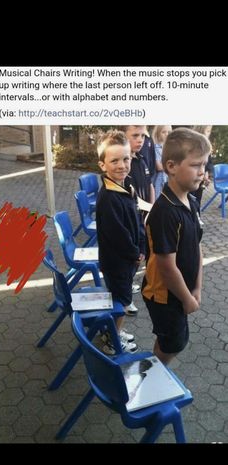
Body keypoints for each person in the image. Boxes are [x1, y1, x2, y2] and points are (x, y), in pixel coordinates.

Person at [142, 127, 212, 364]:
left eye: (204, 165)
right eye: (195, 165)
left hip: (181, 292)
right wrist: (186, 298)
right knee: (173, 343)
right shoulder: (165, 212)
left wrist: (197, 288)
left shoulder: (191, 201)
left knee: (169, 339)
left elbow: (197, 246)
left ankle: (155, 374)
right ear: (171, 167)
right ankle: (154, 383)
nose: (202, 172)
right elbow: (167, 267)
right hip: (164, 296)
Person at [96, 129, 146, 355]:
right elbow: (118, 235)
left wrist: (142, 246)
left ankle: (113, 331)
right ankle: (112, 341)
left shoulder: (127, 186)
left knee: (120, 298)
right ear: (103, 165)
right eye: (114, 160)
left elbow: (136, 222)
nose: (121, 165)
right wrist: (135, 252)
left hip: (128, 259)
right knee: (122, 301)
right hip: (117, 262)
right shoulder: (108, 197)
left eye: (125, 159)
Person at [122, 125, 155, 314]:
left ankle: (129, 283)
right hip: (132, 219)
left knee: (139, 254)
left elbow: (149, 184)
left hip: (145, 215)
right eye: (135, 135)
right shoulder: (125, 164)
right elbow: (131, 195)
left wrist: (152, 206)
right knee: (131, 255)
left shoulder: (141, 159)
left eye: (142, 135)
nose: (140, 139)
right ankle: (124, 296)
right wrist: (149, 208)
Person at [191, 125, 213, 206]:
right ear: (200, 131)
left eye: (209, 131)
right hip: (193, 178)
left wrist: (207, 172)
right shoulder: (192, 146)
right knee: (191, 198)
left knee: (198, 200)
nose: (209, 134)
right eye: (207, 131)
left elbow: (209, 162)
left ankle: (197, 216)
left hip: (201, 180)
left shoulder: (207, 146)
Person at [152, 125, 172, 199]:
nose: (167, 134)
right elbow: (159, 167)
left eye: (169, 132)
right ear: (158, 133)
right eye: (163, 132)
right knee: (158, 198)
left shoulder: (169, 148)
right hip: (159, 179)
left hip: (167, 178)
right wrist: (171, 166)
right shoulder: (155, 147)